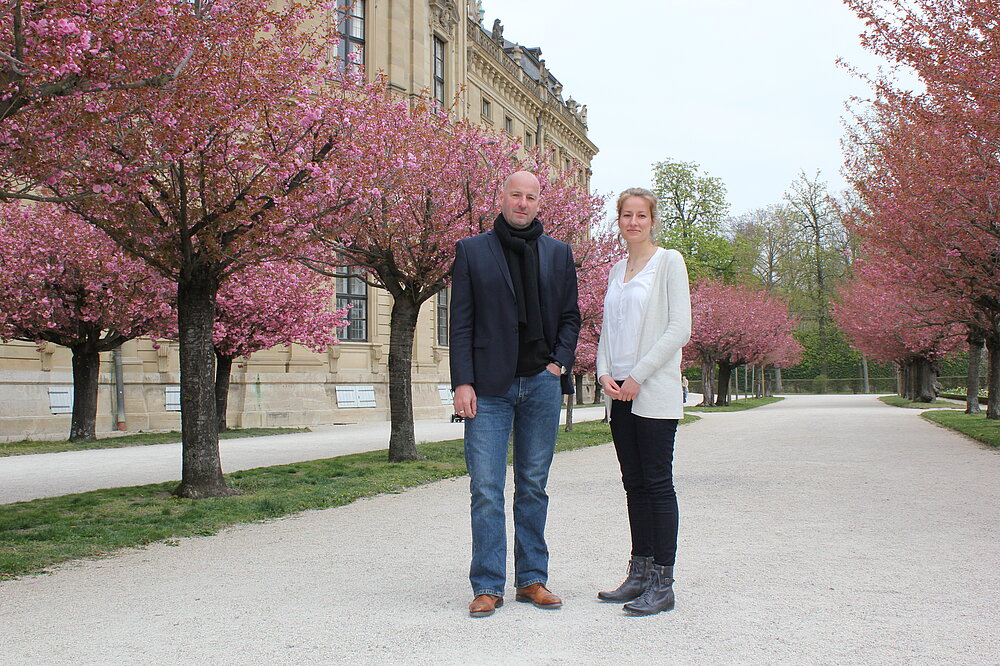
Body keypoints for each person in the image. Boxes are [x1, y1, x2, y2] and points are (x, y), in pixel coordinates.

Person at [450, 170, 581, 618]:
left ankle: (532, 579)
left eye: (530, 196)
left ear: (539, 202)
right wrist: (462, 381)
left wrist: (558, 364)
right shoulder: (471, 251)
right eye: (515, 195)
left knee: (532, 485)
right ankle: (487, 585)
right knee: (486, 487)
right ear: (501, 197)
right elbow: (461, 322)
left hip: (541, 383)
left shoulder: (559, 254)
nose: (522, 203)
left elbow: (570, 318)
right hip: (488, 386)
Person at [596, 187, 691, 616]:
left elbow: (679, 329)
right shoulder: (617, 270)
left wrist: (637, 375)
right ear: (618, 221)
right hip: (618, 393)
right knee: (633, 484)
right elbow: (607, 330)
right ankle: (639, 571)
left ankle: (663, 583)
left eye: (641, 215)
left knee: (657, 484)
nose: (633, 222)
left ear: (652, 220)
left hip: (650, 390)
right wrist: (602, 373)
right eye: (626, 215)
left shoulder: (668, 262)